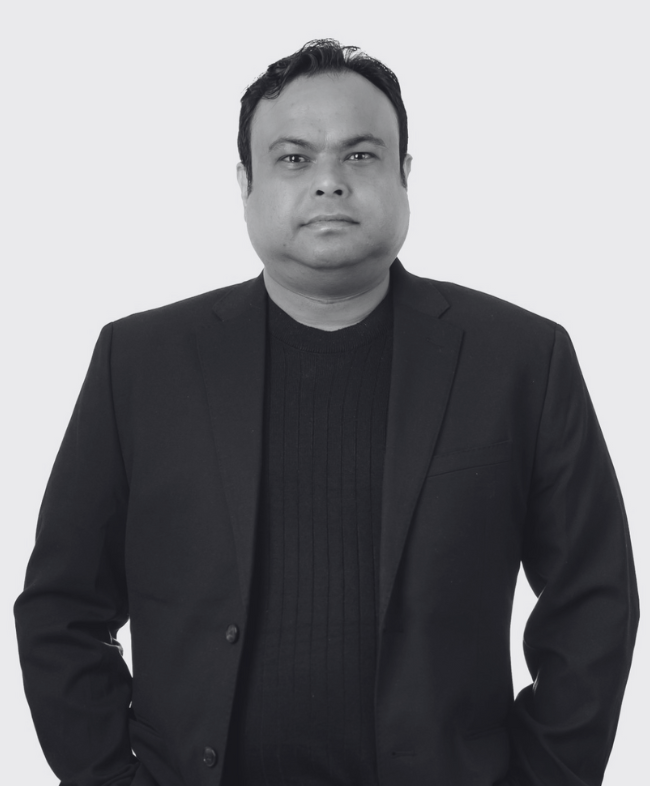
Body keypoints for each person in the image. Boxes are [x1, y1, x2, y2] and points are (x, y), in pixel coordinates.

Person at [14, 39, 638, 786]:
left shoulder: (521, 358)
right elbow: (61, 608)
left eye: (362, 156)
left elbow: (593, 598)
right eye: (293, 158)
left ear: (405, 174)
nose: (329, 181)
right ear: (244, 182)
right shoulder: (140, 362)